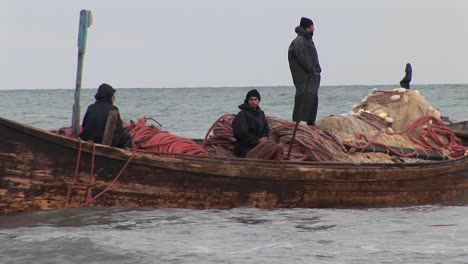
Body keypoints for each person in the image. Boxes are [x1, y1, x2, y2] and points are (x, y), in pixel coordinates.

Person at [288, 17, 322, 126]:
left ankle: (310, 125)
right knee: (302, 101)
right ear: (307, 28)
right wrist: (313, 69)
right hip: (304, 78)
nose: (314, 29)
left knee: (311, 101)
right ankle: (296, 129)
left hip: (311, 78)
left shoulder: (307, 40)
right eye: (312, 27)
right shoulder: (300, 41)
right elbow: (304, 59)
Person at [80, 83, 133, 148]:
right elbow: (120, 130)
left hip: (89, 140)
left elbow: (84, 125)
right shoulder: (113, 108)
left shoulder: (90, 107)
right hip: (104, 142)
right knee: (127, 136)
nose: (114, 98)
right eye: (113, 95)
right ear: (109, 95)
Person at [232, 89, 270, 158]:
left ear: (259, 101)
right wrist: (257, 140)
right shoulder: (242, 115)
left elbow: (265, 128)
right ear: (247, 100)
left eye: (255, 99)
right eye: (251, 99)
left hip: (258, 146)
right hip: (244, 148)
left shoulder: (261, 114)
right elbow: (240, 134)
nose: (253, 102)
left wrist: (265, 137)